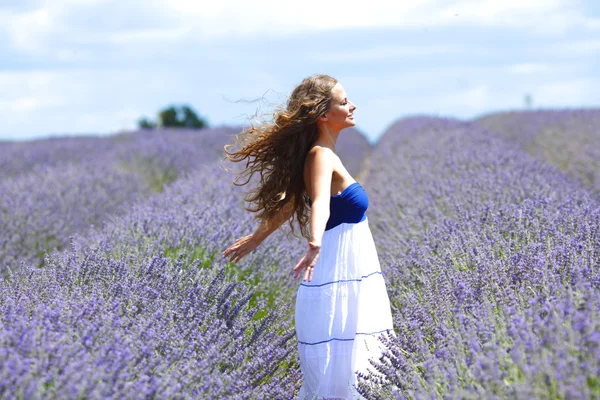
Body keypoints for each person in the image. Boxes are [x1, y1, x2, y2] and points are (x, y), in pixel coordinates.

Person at [222, 74, 394, 399]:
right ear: (324, 115)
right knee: (344, 371)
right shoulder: (320, 155)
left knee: (350, 369)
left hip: (346, 272)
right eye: (344, 102)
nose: (352, 105)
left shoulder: (321, 155)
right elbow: (320, 205)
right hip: (337, 272)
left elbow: (288, 207)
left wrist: (257, 238)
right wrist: (315, 240)